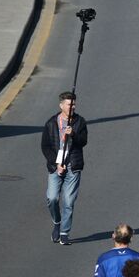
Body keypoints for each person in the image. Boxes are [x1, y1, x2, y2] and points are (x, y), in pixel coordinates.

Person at [42, 90, 88, 245]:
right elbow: (45, 146)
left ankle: (64, 232)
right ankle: (57, 222)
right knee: (52, 198)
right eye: (69, 104)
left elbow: (83, 141)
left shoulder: (80, 121)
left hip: (73, 166)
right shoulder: (51, 123)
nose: (72, 107)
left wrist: (73, 134)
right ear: (61, 105)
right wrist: (56, 164)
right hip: (56, 167)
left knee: (68, 201)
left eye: (74, 104)